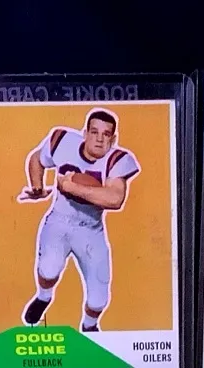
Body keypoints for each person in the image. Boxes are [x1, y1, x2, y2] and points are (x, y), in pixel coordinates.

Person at [18, 109, 140, 333]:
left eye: (106, 134)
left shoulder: (117, 159)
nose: (99, 139)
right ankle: (44, 297)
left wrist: (71, 186)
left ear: (113, 139)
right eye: (94, 132)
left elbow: (115, 199)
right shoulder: (62, 140)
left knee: (98, 300)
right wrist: (36, 186)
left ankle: (89, 325)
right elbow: (36, 158)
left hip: (90, 229)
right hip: (59, 219)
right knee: (48, 270)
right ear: (85, 133)